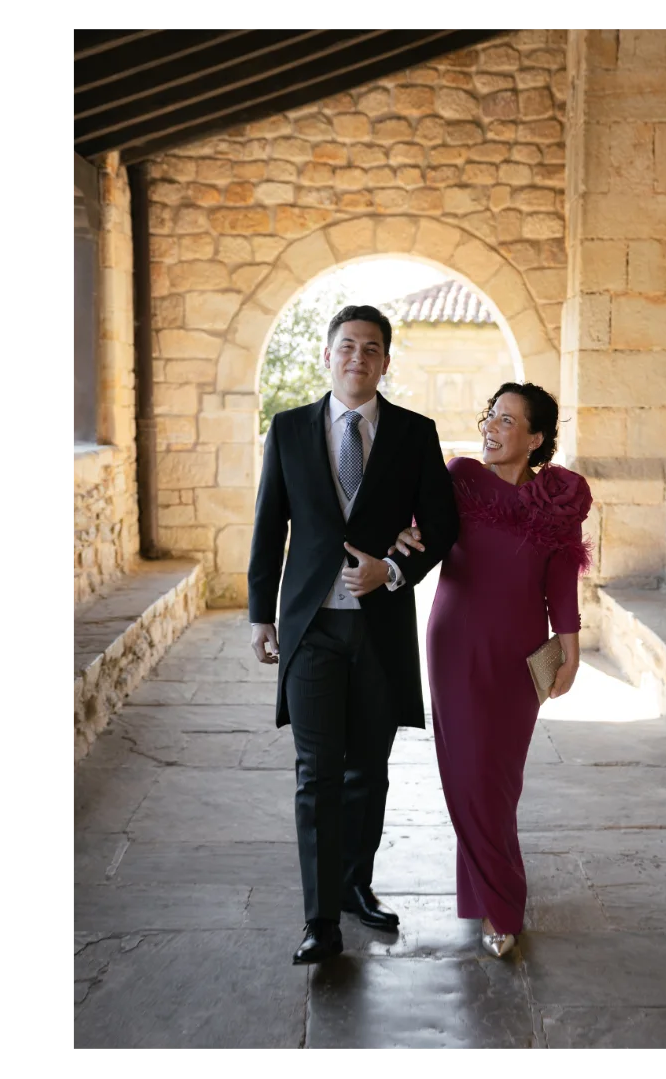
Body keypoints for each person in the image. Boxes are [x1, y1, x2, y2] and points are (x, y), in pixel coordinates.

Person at [247, 304, 460, 965]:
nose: (357, 358)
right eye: (346, 346)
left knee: (368, 770)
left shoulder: (415, 433)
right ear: (326, 356)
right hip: (311, 629)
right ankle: (320, 920)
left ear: (386, 360)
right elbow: (268, 526)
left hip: (379, 632)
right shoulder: (285, 431)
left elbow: (444, 526)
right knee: (316, 773)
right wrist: (261, 613)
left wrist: (393, 570)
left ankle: (356, 888)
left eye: (371, 348)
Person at [388, 382, 593, 958]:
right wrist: (400, 532)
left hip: (520, 653)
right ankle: (503, 905)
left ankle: (478, 891)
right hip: (456, 644)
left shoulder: (561, 496)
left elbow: (561, 580)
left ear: (535, 438)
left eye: (507, 421)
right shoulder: (459, 479)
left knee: (498, 780)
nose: (491, 428)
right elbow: (413, 524)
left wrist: (569, 646)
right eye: (490, 416)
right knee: (470, 773)